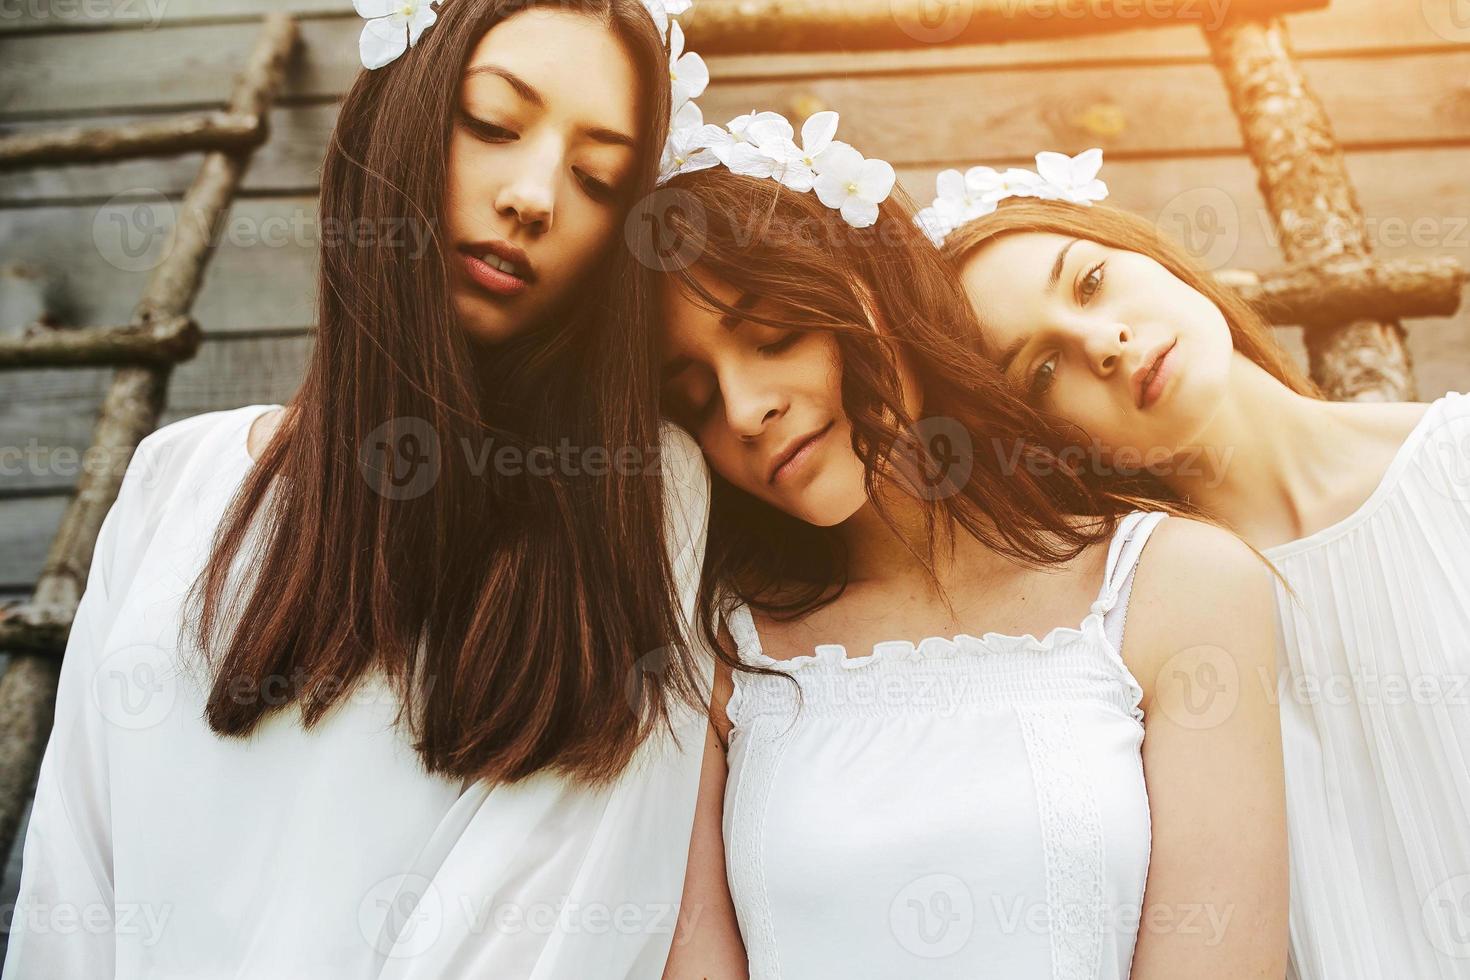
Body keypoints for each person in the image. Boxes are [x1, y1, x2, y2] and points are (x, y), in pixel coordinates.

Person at [4, 2, 717, 976]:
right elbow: (67, 895)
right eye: (494, 123)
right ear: (402, 118)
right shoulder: (175, 477)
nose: (536, 195)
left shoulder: (638, 492)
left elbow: (561, 911)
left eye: (598, 177)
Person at [653, 113, 1288, 978]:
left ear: (882, 289)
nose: (741, 410)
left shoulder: (1175, 588)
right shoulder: (716, 657)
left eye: (776, 336)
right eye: (693, 400)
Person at [936, 152, 1470, 979]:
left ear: (1148, 250)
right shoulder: (1114, 643)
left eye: (1088, 283)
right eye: (1041, 372)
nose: (1099, 342)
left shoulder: (1456, 466)